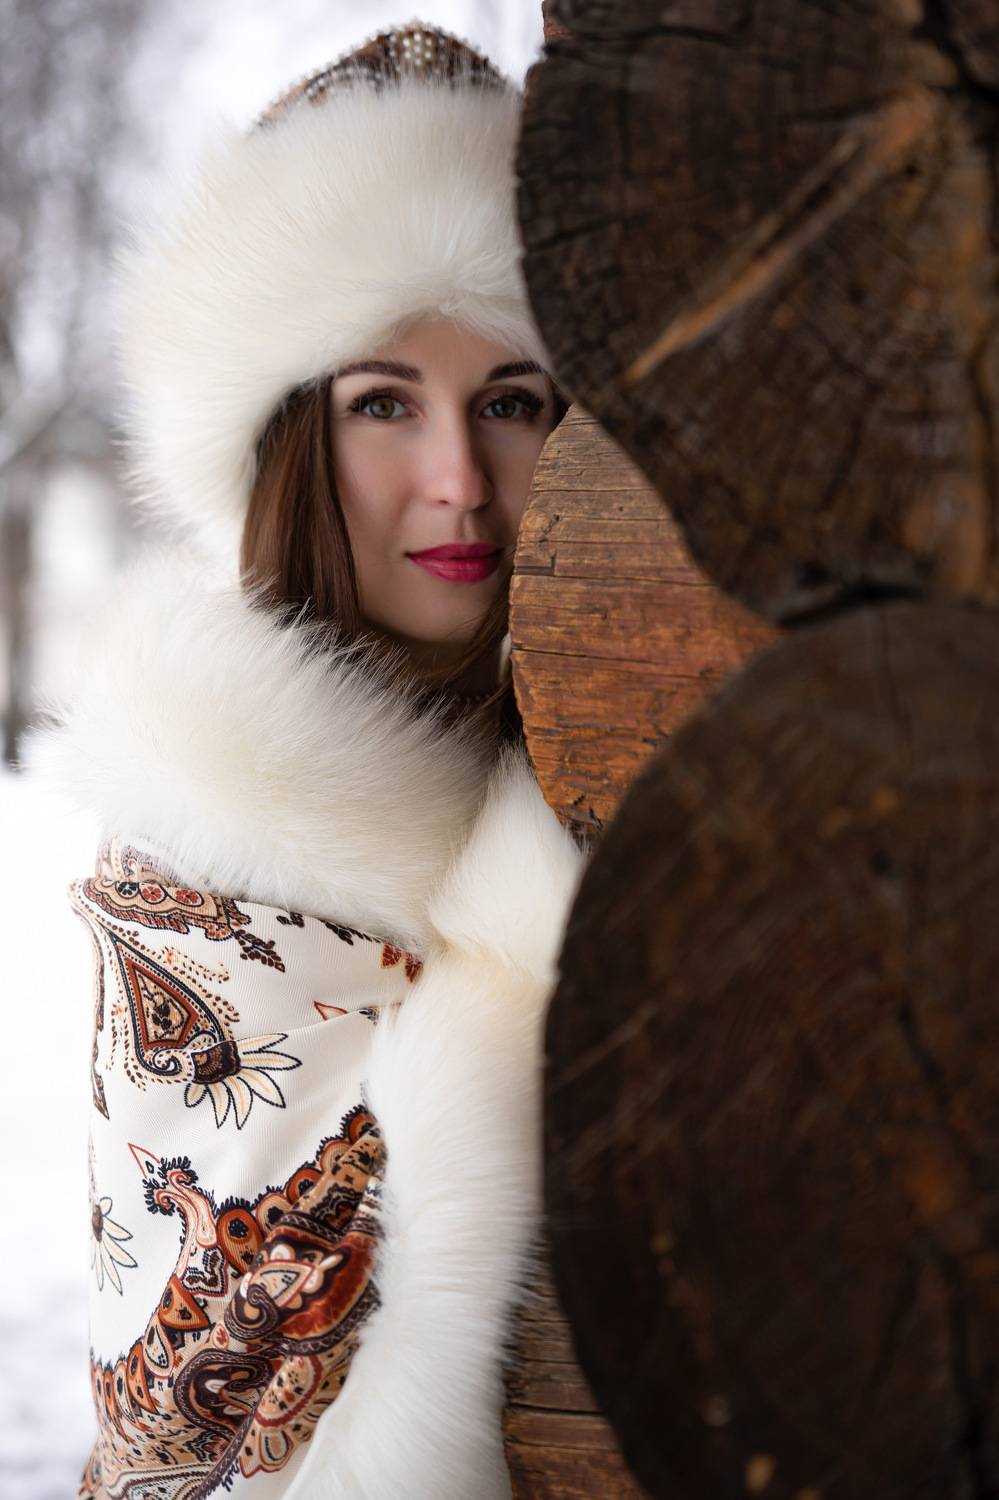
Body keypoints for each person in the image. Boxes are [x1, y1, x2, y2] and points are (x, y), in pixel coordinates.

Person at [24, 20, 587, 1500]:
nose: (460, 480)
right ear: (285, 445)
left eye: (512, 402)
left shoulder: (635, 744)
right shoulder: (195, 858)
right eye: (384, 404)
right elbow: (202, 1425)